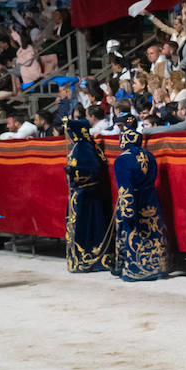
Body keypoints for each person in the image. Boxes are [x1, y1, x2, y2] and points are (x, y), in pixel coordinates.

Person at [111, 117, 169, 282]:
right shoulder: (150, 157)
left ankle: (135, 269)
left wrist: (127, 210)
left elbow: (125, 188)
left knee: (134, 236)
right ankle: (157, 267)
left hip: (134, 201)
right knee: (153, 234)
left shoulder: (122, 160)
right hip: (150, 199)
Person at [63, 116, 115, 273]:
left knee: (88, 228)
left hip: (87, 196)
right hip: (86, 195)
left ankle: (88, 259)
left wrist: (74, 172)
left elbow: (93, 170)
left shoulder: (83, 147)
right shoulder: (84, 145)